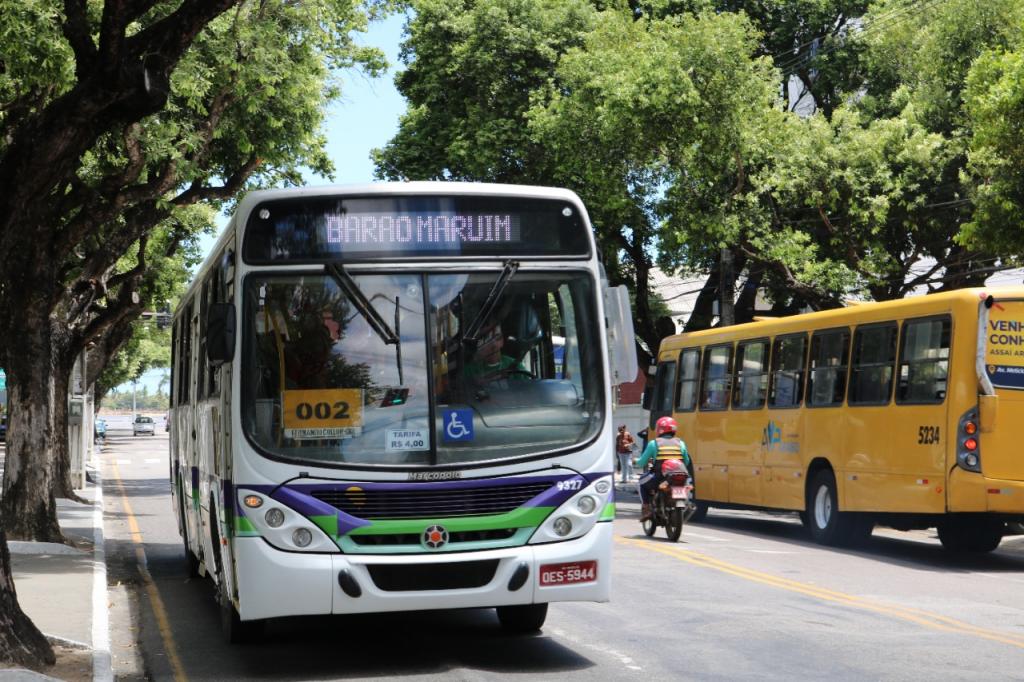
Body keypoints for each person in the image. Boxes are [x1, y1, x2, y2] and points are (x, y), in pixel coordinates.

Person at [636, 416, 691, 522]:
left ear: (659, 429)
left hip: (659, 477)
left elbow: (642, 462)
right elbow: (686, 461)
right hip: (680, 476)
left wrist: (636, 461)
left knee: (641, 483)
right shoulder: (681, 443)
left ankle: (646, 509)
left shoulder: (654, 443)